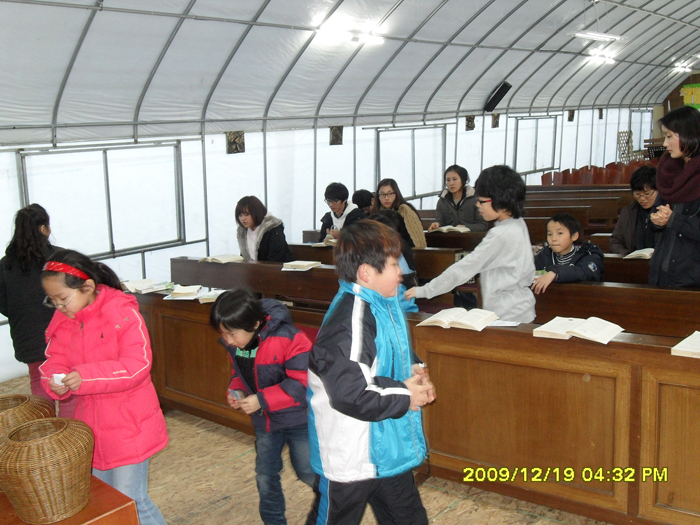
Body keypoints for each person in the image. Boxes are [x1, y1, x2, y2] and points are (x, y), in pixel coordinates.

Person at [306, 220, 435, 525]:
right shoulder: (349, 321)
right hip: (351, 456)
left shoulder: (381, 302)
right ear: (366, 273)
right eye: (393, 265)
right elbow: (352, 393)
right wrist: (407, 395)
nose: (401, 272)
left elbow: (388, 348)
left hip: (385, 449)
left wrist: (416, 368)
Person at [39, 249, 168, 525]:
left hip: (129, 424)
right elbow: (54, 360)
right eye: (53, 301)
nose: (59, 307)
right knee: (106, 501)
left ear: (87, 287)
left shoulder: (121, 312)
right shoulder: (64, 319)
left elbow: (137, 365)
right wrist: (55, 381)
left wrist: (83, 377)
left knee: (131, 500)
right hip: (90, 426)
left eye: (63, 299)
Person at [210, 289, 315, 525]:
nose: (228, 341)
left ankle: (336, 507)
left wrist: (262, 399)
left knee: (307, 471)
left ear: (255, 324)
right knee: (265, 476)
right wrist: (237, 391)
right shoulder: (237, 344)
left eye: (232, 334)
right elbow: (239, 375)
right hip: (266, 422)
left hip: (298, 420)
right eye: (223, 334)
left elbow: (302, 382)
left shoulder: (290, 338)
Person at [405, 165, 536, 323]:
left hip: (507, 315)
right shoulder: (517, 223)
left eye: (481, 201)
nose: (477, 205)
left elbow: (464, 268)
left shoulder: (500, 235)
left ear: (500, 199)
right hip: (521, 308)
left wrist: (424, 290)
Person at [0, 205, 76, 418]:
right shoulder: (60, 257)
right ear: (43, 228)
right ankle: (70, 430)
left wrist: (21, 315)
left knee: (38, 378)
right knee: (66, 381)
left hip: (26, 332)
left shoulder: (5, 265)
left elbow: (3, 303)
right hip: (62, 330)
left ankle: (46, 428)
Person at [649, 105, 700, 287]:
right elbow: (657, 211)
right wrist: (656, 219)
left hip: (693, 279)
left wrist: (673, 220)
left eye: (669, 136)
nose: (665, 143)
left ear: (689, 135)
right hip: (662, 273)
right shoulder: (668, 170)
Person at [531, 213, 604, 294]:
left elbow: (584, 272)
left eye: (560, 233)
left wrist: (555, 272)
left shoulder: (588, 253)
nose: (553, 238)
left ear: (574, 236)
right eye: (550, 234)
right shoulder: (545, 254)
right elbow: (529, 268)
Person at [609, 166, 660, 255]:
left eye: (647, 194)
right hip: (634, 260)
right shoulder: (628, 212)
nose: (642, 199)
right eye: (637, 194)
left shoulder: (667, 212)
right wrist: (627, 254)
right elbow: (615, 242)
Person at [428, 165, 488, 232]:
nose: (451, 183)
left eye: (454, 179)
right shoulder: (442, 201)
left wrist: (465, 227)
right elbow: (440, 222)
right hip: (449, 237)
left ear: (463, 180)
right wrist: (437, 225)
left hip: (470, 237)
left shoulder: (475, 199)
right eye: (448, 180)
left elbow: (482, 225)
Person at [371, 178, 427, 249]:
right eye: (382, 194)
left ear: (396, 193)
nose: (386, 198)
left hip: (406, 250)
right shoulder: (377, 213)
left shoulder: (405, 210)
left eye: (390, 194)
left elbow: (417, 241)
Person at [236, 196, 293, 262]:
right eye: (240, 215)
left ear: (257, 212)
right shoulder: (243, 232)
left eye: (247, 214)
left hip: (277, 267)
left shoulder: (272, 229)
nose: (243, 219)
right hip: (253, 268)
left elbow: (275, 258)